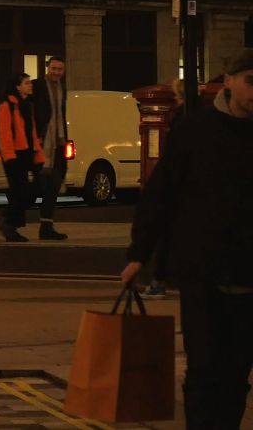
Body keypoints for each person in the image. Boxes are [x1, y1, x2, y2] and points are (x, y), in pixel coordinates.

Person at [122, 50, 253, 429]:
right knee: (203, 367)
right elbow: (161, 195)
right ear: (228, 81)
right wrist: (138, 254)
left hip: (248, 272)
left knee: (235, 372)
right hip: (202, 271)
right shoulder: (196, 130)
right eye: (250, 81)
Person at [0, 73, 43, 243]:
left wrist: (38, 153)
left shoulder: (26, 106)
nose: (30, 85)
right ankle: (10, 224)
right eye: (27, 83)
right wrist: (9, 156)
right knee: (19, 192)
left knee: (31, 190)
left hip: (27, 152)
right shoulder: (6, 106)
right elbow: (4, 133)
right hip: (15, 154)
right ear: (17, 87)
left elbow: (32, 132)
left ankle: (8, 220)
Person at [27, 57, 70, 240]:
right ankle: (10, 220)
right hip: (42, 142)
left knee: (55, 183)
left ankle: (46, 225)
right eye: (53, 68)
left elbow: (61, 114)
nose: (56, 72)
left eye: (60, 69)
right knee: (40, 186)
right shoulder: (37, 86)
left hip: (58, 142)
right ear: (47, 68)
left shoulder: (62, 88)